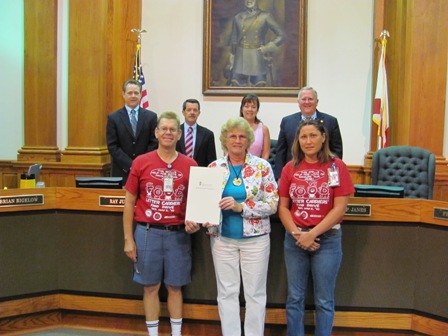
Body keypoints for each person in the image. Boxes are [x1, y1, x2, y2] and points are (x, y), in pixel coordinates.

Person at [185, 117, 278, 336]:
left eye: (242, 136)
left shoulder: (262, 167)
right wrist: (197, 218)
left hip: (255, 241)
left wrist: (241, 207)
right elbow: (204, 204)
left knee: (255, 294)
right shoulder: (213, 167)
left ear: (249, 140)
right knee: (227, 293)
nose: (237, 140)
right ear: (225, 140)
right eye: (232, 136)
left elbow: (273, 203)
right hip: (222, 239)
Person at [123, 111, 198, 336]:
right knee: (150, 286)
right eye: (163, 129)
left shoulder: (190, 164)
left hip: (178, 235)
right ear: (156, 133)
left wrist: (196, 221)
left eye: (172, 129)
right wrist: (128, 239)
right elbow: (129, 202)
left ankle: (176, 333)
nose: (167, 133)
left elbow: (196, 201)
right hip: (147, 234)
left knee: (175, 287)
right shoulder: (141, 162)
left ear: (179, 134)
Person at [278, 119, 354, 336]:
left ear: (323, 138)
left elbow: (340, 208)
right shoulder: (289, 167)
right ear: (298, 141)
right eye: (303, 137)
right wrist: (298, 234)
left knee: (324, 300)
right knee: (294, 298)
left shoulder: (336, 166)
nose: (308, 141)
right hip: (295, 240)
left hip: (327, 240)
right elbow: (283, 207)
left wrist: (312, 234)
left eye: (313, 136)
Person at [274, 86, 343, 180]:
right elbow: (280, 152)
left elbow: (336, 151)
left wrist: (333, 179)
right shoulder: (287, 121)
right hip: (293, 174)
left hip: (323, 175)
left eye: (310, 99)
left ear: (317, 102)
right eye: (304, 99)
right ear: (298, 102)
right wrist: (279, 177)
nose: (307, 102)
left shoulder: (330, 121)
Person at [106, 79, 158, 184]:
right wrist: (131, 165)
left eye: (136, 93)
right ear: (123, 95)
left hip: (145, 170)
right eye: (129, 93)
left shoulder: (151, 117)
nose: (133, 96)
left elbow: (154, 142)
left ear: (140, 95)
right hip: (122, 171)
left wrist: (141, 163)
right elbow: (112, 146)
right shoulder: (113, 118)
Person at [228, 0, 286, 87]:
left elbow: (282, 35)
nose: (249, 1)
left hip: (257, 59)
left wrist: (267, 48)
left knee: (259, 90)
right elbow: (234, 40)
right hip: (240, 60)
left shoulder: (265, 16)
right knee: (236, 90)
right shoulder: (238, 17)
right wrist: (232, 59)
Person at [176, 98, 217, 167]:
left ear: (199, 113)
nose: (192, 112)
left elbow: (211, 162)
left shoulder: (207, 135)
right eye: (189, 110)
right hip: (179, 171)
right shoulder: (175, 132)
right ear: (183, 112)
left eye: (195, 110)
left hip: (199, 174)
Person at [239, 94, 271, 160]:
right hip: (235, 167)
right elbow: (227, 151)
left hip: (257, 167)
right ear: (242, 109)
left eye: (253, 107)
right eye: (247, 106)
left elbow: (266, 154)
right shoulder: (233, 128)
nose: (250, 109)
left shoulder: (264, 129)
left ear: (257, 110)